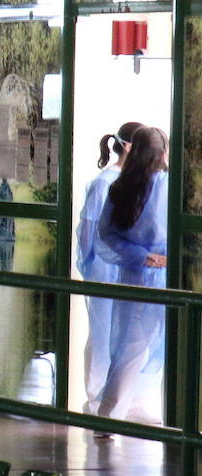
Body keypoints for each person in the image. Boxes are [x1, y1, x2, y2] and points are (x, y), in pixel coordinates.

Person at [95, 126, 170, 427]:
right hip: (160, 276)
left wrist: (139, 256)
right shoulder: (167, 186)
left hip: (135, 274)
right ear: (162, 153)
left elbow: (106, 235)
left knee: (129, 347)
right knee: (136, 346)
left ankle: (110, 416)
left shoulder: (121, 188)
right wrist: (148, 257)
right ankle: (109, 416)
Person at [77, 121, 143, 414]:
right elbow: (88, 230)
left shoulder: (133, 183)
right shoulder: (104, 183)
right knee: (102, 334)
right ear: (128, 147)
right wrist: (93, 262)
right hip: (105, 269)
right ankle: (96, 402)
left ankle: (117, 402)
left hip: (124, 269)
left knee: (121, 333)